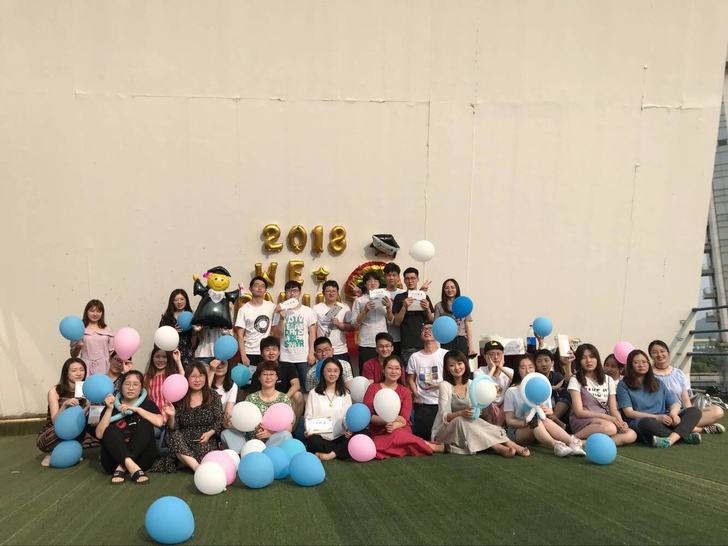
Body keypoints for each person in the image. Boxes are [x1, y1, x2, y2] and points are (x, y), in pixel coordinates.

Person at [433, 350, 529, 457]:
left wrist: (484, 401)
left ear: (465, 364)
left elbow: (478, 409)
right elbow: (445, 417)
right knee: (461, 420)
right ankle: (499, 447)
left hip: (468, 426)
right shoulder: (445, 385)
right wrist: (462, 413)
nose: (457, 368)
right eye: (452, 365)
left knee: (476, 421)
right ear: (447, 368)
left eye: (460, 363)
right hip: (445, 433)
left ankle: (509, 443)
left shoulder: (472, 384)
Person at [504, 355, 586, 457]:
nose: (527, 371)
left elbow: (547, 415)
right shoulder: (511, 391)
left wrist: (549, 412)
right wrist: (524, 423)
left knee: (541, 420)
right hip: (517, 431)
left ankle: (571, 443)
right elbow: (509, 420)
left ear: (535, 369)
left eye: (530, 367)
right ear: (518, 370)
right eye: (523, 368)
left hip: (540, 429)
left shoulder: (542, 387)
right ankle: (556, 444)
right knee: (535, 421)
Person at [618, 349, 703, 447]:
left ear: (648, 364)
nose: (641, 365)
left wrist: (673, 414)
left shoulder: (657, 382)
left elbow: (674, 402)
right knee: (646, 423)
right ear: (630, 366)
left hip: (665, 420)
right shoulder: (623, 385)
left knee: (694, 411)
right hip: (643, 421)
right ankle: (684, 435)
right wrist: (657, 418)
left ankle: (670, 439)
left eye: (644, 362)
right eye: (636, 362)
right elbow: (629, 413)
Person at [363, 355, 443, 458]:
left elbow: (404, 419)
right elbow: (368, 415)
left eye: (397, 368)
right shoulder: (373, 388)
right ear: (383, 370)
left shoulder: (405, 391)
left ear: (401, 372)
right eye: (390, 368)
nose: (393, 371)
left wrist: (394, 425)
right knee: (374, 447)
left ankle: (430, 447)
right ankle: (421, 444)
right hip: (378, 431)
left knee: (398, 435)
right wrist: (386, 421)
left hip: (399, 428)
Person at [153, 362, 224, 472]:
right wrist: (171, 416)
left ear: (205, 377)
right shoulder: (180, 396)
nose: (197, 380)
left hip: (205, 439)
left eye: (201, 376)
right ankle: (197, 469)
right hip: (183, 439)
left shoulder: (213, 395)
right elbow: (173, 428)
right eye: (193, 376)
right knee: (174, 437)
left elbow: (219, 420)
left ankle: (185, 460)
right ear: (187, 378)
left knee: (203, 453)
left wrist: (210, 433)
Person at [95, 370, 163, 484]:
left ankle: (123, 466)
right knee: (110, 429)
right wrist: (109, 409)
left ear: (141, 388)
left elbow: (159, 422)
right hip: (113, 462)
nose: (131, 388)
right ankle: (130, 465)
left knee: (145, 424)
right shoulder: (111, 405)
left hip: (141, 460)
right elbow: (99, 434)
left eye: (135, 384)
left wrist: (137, 409)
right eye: (127, 384)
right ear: (121, 387)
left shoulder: (148, 404)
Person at [649, 339, 724, 434]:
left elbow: (686, 400)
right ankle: (696, 429)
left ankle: (681, 427)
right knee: (658, 421)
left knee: (717, 410)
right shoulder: (648, 375)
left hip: (681, 413)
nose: (659, 355)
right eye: (655, 352)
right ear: (651, 356)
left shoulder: (678, 373)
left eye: (662, 351)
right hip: (663, 415)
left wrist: (690, 414)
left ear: (668, 353)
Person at [567, 344, 636, 446]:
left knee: (631, 434)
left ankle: (582, 442)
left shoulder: (608, 380)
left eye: (592, 357)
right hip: (583, 420)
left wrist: (621, 422)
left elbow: (613, 410)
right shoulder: (575, 379)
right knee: (610, 428)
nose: (588, 361)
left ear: (597, 358)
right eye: (583, 358)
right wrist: (606, 417)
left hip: (604, 421)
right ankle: (572, 438)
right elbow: (579, 412)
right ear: (579, 361)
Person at [37, 358, 89, 466]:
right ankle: (52, 452)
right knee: (62, 430)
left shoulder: (84, 389)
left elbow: (81, 418)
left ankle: (70, 451)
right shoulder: (55, 391)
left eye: (82, 370)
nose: (79, 373)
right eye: (74, 370)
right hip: (53, 432)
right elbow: (55, 421)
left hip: (74, 432)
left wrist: (88, 408)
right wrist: (64, 406)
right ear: (66, 373)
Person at [304, 358, 353, 460]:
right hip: (320, 437)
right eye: (329, 371)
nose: (332, 374)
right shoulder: (313, 393)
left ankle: (331, 454)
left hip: (340, 437)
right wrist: (309, 429)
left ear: (340, 373)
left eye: (335, 371)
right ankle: (339, 452)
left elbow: (347, 417)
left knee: (355, 437)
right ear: (323, 372)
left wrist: (348, 428)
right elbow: (308, 416)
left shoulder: (345, 394)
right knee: (313, 440)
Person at [272, 280, 317, 391]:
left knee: (307, 388)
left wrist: (311, 353)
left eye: (295, 290)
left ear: (299, 293)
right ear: (285, 293)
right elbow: (276, 334)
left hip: (304, 357)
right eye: (289, 291)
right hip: (285, 358)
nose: (292, 293)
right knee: (286, 389)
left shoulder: (308, 311)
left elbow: (312, 333)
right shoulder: (279, 311)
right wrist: (281, 318)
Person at [406, 322, 447, 440]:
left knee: (442, 437)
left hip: (443, 402)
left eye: (430, 329)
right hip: (423, 404)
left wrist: (438, 385)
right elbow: (410, 379)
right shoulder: (415, 356)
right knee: (423, 437)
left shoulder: (445, 354)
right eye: (424, 329)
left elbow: (453, 378)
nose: (427, 331)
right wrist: (416, 394)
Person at [247, 336, 303, 416]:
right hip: (265, 402)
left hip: (285, 400)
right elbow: (253, 394)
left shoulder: (288, 366)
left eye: (274, 349)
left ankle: (293, 423)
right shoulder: (258, 372)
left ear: (279, 352)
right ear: (261, 353)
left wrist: (283, 399)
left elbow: (296, 384)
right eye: (267, 350)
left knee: (298, 395)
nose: (271, 353)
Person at [245, 361, 294, 445]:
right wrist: (256, 429)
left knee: (286, 435)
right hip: (253, 442)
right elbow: (245, 421)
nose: (268, 377)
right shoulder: (250, 398)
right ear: (259, 377)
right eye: (264, 374)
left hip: (275, 442)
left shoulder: (283, 399)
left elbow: (289, 427)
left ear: (277, 377)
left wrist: (270, 434)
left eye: (271, 374)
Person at [393, 267, 435, 365]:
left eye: (413, 278)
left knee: (425, 371)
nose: (410, 281)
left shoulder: (424, 296)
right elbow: (397, 323)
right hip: (407, 344)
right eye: (407, 278)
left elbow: (432, 320)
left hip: (424, 342)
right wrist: (404, 307)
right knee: (409, 372)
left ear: (418, 279)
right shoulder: (399, 297)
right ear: (404, 280)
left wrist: (427, 309)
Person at [351, 270, 393, 368]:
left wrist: (388, 308)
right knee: (366, 369)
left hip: (383, 342)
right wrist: (365, 310)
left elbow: (391, 321)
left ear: (379, 283)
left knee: (384, 370)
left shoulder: (386, 298)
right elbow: (354, 323)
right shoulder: (359, 300)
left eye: (375, 281)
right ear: (365, 284)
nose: (373, 283)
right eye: (369, 281)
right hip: (366, 342)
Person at [234, 275, 276, 367]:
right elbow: (240, 335)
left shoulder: (271, 306)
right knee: (248, 376)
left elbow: (276, 327)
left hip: (266, 352)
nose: (259, 288)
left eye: (262, 286)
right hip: (249, 352)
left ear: (265, 290)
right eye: (256, 285)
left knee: (266, 376)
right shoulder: (243, 309)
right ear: (250, 289)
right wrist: (243, 355)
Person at [70, 299, 114, 376]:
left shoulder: (107, 329)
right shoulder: (79, 328)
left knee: (102, 383)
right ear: (86, 312)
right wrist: (78, 347)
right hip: (85, 366)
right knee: (85, 383)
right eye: (92, 311)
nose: (95, 314)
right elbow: (73, 355)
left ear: (102, 313)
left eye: (98, 311)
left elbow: (112, 352)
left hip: (104, 366)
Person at [474, 340, 513, 426]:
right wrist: (492, 369)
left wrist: (501, 368)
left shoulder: (509, 371)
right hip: (486, 405)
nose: (496, 357)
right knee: (487, 403)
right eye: (491, 354)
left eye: (499, 354)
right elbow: (482, 387)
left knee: (509, 401)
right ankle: (492, 428)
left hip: (502, 406)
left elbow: (519, 382)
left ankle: (498, 428)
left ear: (503, 356)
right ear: (485, 357)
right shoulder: (479, 372)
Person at [313, 280, 353, 363]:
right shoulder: (316, 308)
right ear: (323, 293)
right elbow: (313, 331)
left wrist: (339, 324)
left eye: (334, 291)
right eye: (328, 291)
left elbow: (351, 327)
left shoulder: (345, 308)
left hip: (340, 350)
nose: (331, 293)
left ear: (337, 292)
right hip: (323, 352)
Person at [434, 279, 476, 356]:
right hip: (446, 340)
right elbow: (436, 327)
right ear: (443, 290)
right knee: (448, 362)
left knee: (462, 362)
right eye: (447, 288)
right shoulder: (439, 306)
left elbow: (468, 325)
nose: (450, 290)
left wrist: (471, 346)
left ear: (457, 289)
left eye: (452, 287)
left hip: (461, 339)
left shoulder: (463, 303)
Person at [144, 346, 185, 418]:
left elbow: (182, 380)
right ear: (152, 358)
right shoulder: (146, 377)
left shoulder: (172, 376)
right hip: (151, 417)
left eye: (164, 357)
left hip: (169, 417)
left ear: (168, 359)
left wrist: (178, 361)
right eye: (157, 357)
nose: (160, 360)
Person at [159, 289, 196, 364]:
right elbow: (160, 335)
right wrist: (173, 332)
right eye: (176, 300)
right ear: (172, 302)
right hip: (170, 352)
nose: (179, 302)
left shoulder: (192, 316)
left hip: (187, 351)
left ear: (186, 300)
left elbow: (196, 337)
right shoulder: (167, 317)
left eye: (182, 299)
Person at [535, 349, 567, 428]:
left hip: (556, 408)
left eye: (546, 360)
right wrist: (554, 387)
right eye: (539, 361)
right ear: (535, 364)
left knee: (567, 393)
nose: (543, 364)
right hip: (540, 408)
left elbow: (566, 384)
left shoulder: (557, 376)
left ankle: (556, 421)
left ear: (552, 363)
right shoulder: (534, 378)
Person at [383, 262, 406, 357]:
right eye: (388, 275)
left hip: (401, 337)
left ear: (398, 277)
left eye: (394, 275)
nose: (391, 278)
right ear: (385, 277)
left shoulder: (404, 293)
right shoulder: (380, 293)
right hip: (384, 338)